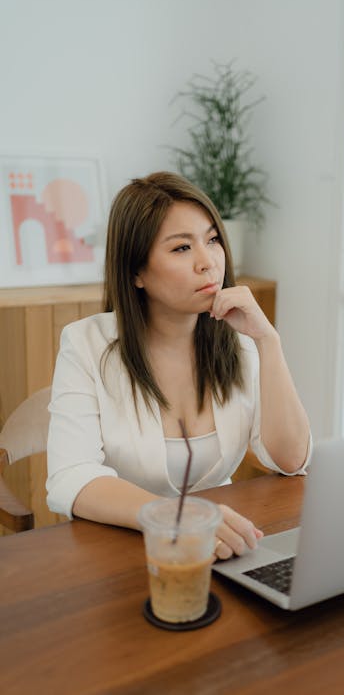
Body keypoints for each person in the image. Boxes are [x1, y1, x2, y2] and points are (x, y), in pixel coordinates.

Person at [46, 171, 311, 559]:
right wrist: (180, 516)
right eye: (181, 248)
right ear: (136, 272)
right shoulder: (85, 344)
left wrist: (269, 343)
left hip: (218, 546)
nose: (208, 263)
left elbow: (291, 461)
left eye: (212, 240)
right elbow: (71, 476)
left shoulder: (239, 341)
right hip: (119, 550)